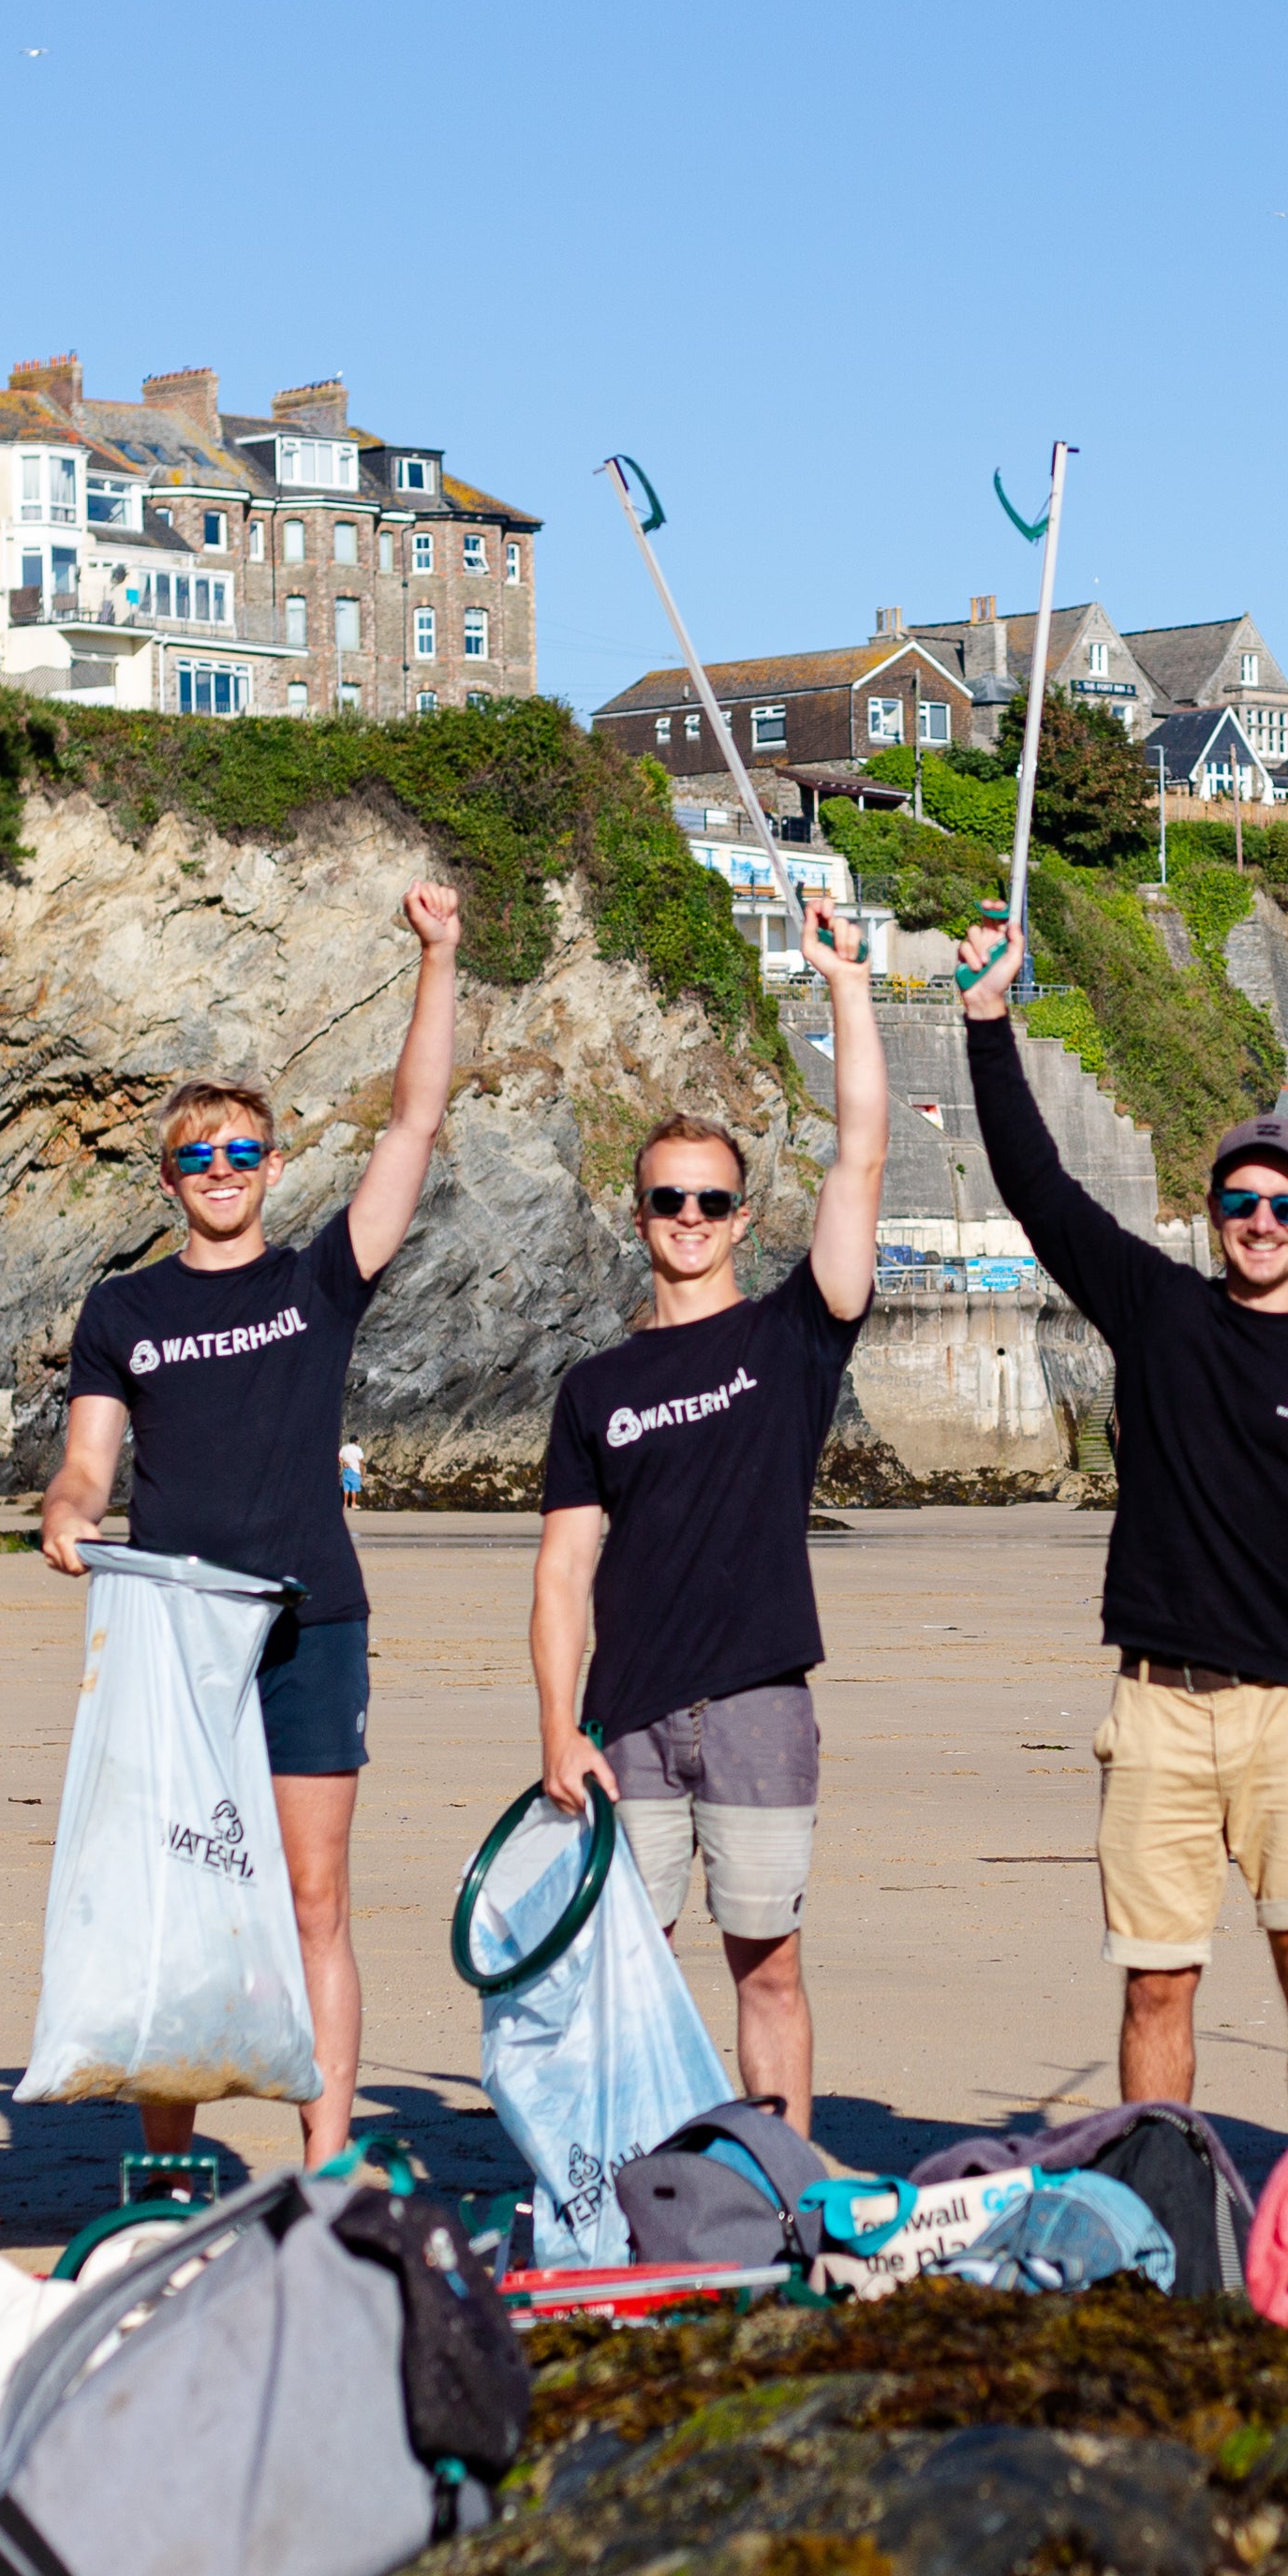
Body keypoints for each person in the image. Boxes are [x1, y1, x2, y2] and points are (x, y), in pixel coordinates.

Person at [958, 908, 1288, 2127]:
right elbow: (1036, 1187)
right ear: (1212, 1210)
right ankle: (1163, 2190)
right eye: (1240, 1202)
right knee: (1156, 1991)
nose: (1261, 1223)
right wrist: (986, 1023)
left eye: (1285, 1206)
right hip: (1158, 1708)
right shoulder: (1160, 1311)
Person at [37, 880, 464, 2171]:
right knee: (177, 1898)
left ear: (271, 1167)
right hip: (173, 1637)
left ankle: (325, 2160)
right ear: (168, 1180)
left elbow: (415, 1121)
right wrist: (63, 1514)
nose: (219, 1174)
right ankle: (170, 2155)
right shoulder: (124, 1310)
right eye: (195, 1159)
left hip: (310, 1624)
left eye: (240, 1154)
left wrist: (438, 958)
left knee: (311, 1896)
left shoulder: (317, 1281)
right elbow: (86, 1461)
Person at [528, 897, 887, 2138]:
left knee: (768, 1964)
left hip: (756, 1702)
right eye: (667, 1201)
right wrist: (555, 1728)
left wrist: (845, 984)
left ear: (743, 1216)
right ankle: (634, 2172)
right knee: (627, 1963)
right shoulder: (597, 1387)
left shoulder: (793, 1336)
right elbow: (564, 1576)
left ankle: (778, 2180)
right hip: (625, 1716)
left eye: (711, 1202)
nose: (688, 1220)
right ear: (638, 1215)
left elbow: (862, 1157)